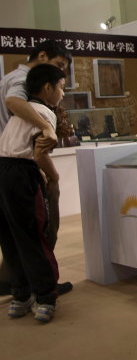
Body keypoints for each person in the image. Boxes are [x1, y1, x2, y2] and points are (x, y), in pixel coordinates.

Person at [0, 39, 72, 297]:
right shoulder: (24, 84)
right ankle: (43, 291)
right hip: (21, 167)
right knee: (35, 232)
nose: (62, 89)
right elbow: (13, 102)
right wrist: (47, 126)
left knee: (12, 233)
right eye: (58, 67)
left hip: (6, 164)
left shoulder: (16, 79)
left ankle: (21, 290)